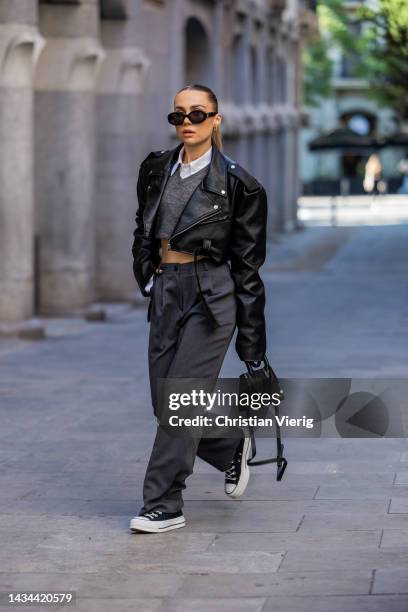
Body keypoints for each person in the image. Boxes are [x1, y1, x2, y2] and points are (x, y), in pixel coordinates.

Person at [130, 83, 268, 533]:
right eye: (178, 116)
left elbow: (248, 270)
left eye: (197, 114)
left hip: (212, 294)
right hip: (167, 288)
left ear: (216, 119)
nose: (187, 123)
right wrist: (149, 275)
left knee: (180, 401)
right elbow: (143, 226)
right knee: (162, 402)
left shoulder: (240, 185)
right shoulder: (155, 169)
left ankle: (164, 503)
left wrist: (252, 349)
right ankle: (229, 447)